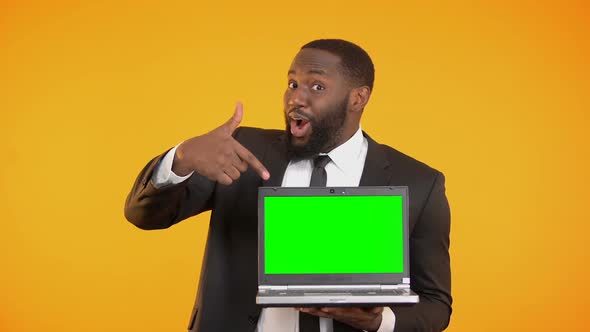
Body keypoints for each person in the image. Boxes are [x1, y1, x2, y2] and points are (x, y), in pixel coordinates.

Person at [124, 39, 452, 332]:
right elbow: (145, 215)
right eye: (293, 83)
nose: (296, 98)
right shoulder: (239, 150)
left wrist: (379, 321)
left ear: (358, 98)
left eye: (317, 87)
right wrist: (180, 159)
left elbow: (436, 305)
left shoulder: (419, 183)